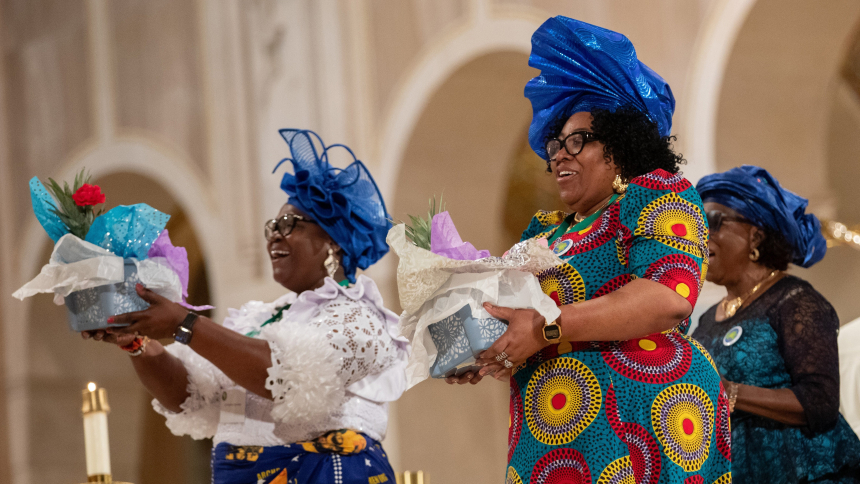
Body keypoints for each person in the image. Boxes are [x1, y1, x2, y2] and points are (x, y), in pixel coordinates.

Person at [449, 16, 731, 483]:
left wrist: (546, 328)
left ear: (621, 148)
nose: (558, 153)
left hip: (636, 419)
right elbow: (515, 318)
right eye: (555, 143)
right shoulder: (546, 234)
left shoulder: (657, 196)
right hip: (551, 430)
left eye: (576, 140)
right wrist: (475, 347)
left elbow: (668, 297)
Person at [83, 129, 408, 484]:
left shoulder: (359, 317)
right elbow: (188, 395)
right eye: (272, 226)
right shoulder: (260, 318)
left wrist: (184, 324)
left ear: (333, 241)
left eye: (289, 224)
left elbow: (283, 376)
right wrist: (138, 342)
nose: (274, 235)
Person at [692, 165, 860, 483]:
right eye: (698, 225)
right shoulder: (705, 319)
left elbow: (821, 404)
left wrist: (732, 393)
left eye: (713, 221)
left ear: (755, 233)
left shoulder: (794, 301)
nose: (702, 235)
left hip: (811, 473)